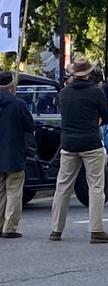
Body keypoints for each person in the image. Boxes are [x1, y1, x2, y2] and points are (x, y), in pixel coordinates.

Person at [50, 58, 108, 243]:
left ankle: (56, 229)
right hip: (90, 142)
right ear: (88, 74)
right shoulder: (95, 92)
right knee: (95, 186)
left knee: (63, 186)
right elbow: (106, 117)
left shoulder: (64, 93)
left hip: (68, 143)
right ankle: (96, 229)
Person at [0, 72, 34, 238]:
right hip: (13, 152)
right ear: (11, 86)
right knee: (13, 191)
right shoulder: (17, 103)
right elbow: (29, 125)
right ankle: (10, 227)